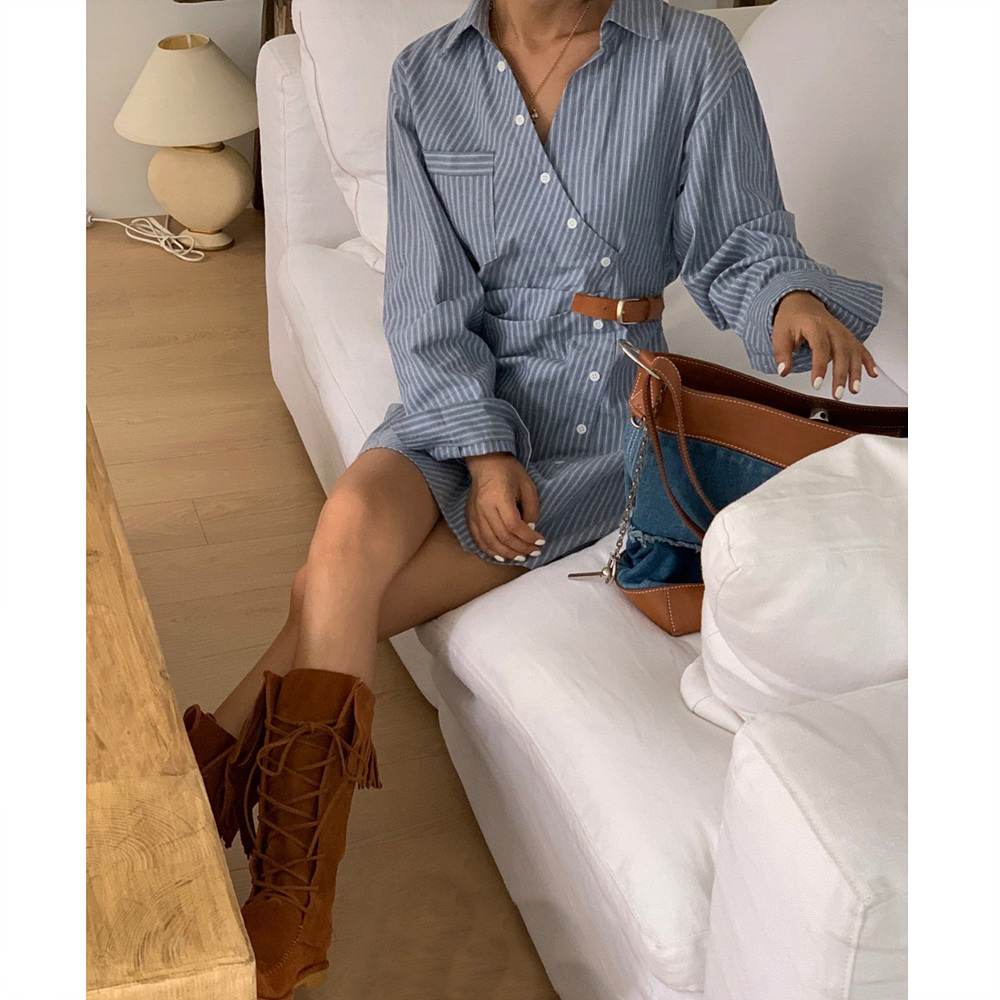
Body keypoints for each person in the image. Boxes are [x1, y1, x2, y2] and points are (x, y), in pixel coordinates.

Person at [182, 1, 884, 996]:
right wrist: (480, 449)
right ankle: (265, 850)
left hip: (601, 416)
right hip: (457, 389)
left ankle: (260, 855)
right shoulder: (428, 74)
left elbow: (739, 239)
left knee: (334, 596)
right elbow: (425, 296)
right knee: (347, 529)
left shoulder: (688, 54)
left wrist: (789, 298)